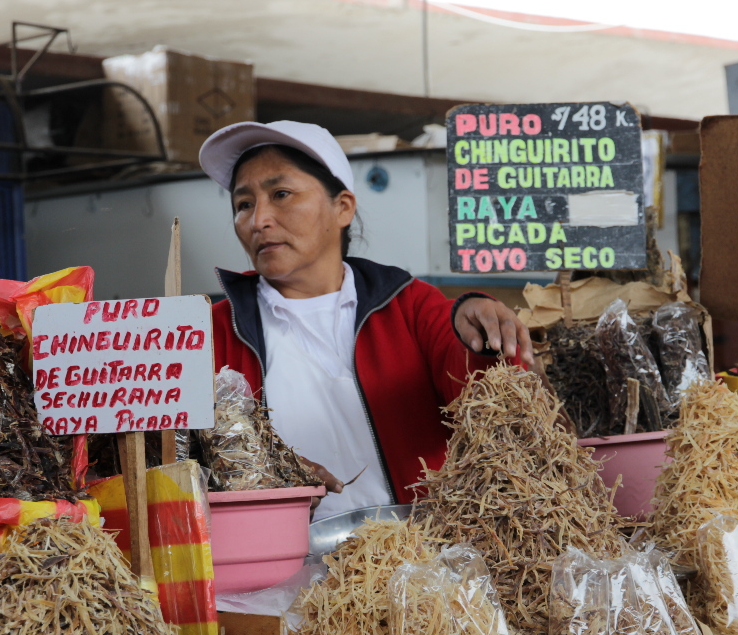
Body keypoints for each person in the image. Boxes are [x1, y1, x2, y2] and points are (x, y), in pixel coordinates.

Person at [198, 120, 533, 518]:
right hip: (284, 565)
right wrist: (269, 476)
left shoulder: (409, 306)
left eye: (281, 194)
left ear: (342, 207)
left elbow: (490, 402)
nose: (258, 220)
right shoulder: (212, 331)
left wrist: (482, 330)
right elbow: (180, 461)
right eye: (243, 204)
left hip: (421, 558)